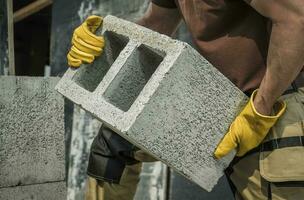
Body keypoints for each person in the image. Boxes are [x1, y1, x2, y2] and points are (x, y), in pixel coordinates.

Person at [67, 0, 304, 199]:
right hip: (226, 105)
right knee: (113, 145)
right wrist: (105, 38)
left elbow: (296, 19)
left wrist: (261, 108)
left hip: (276, 103)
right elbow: (157, 23)